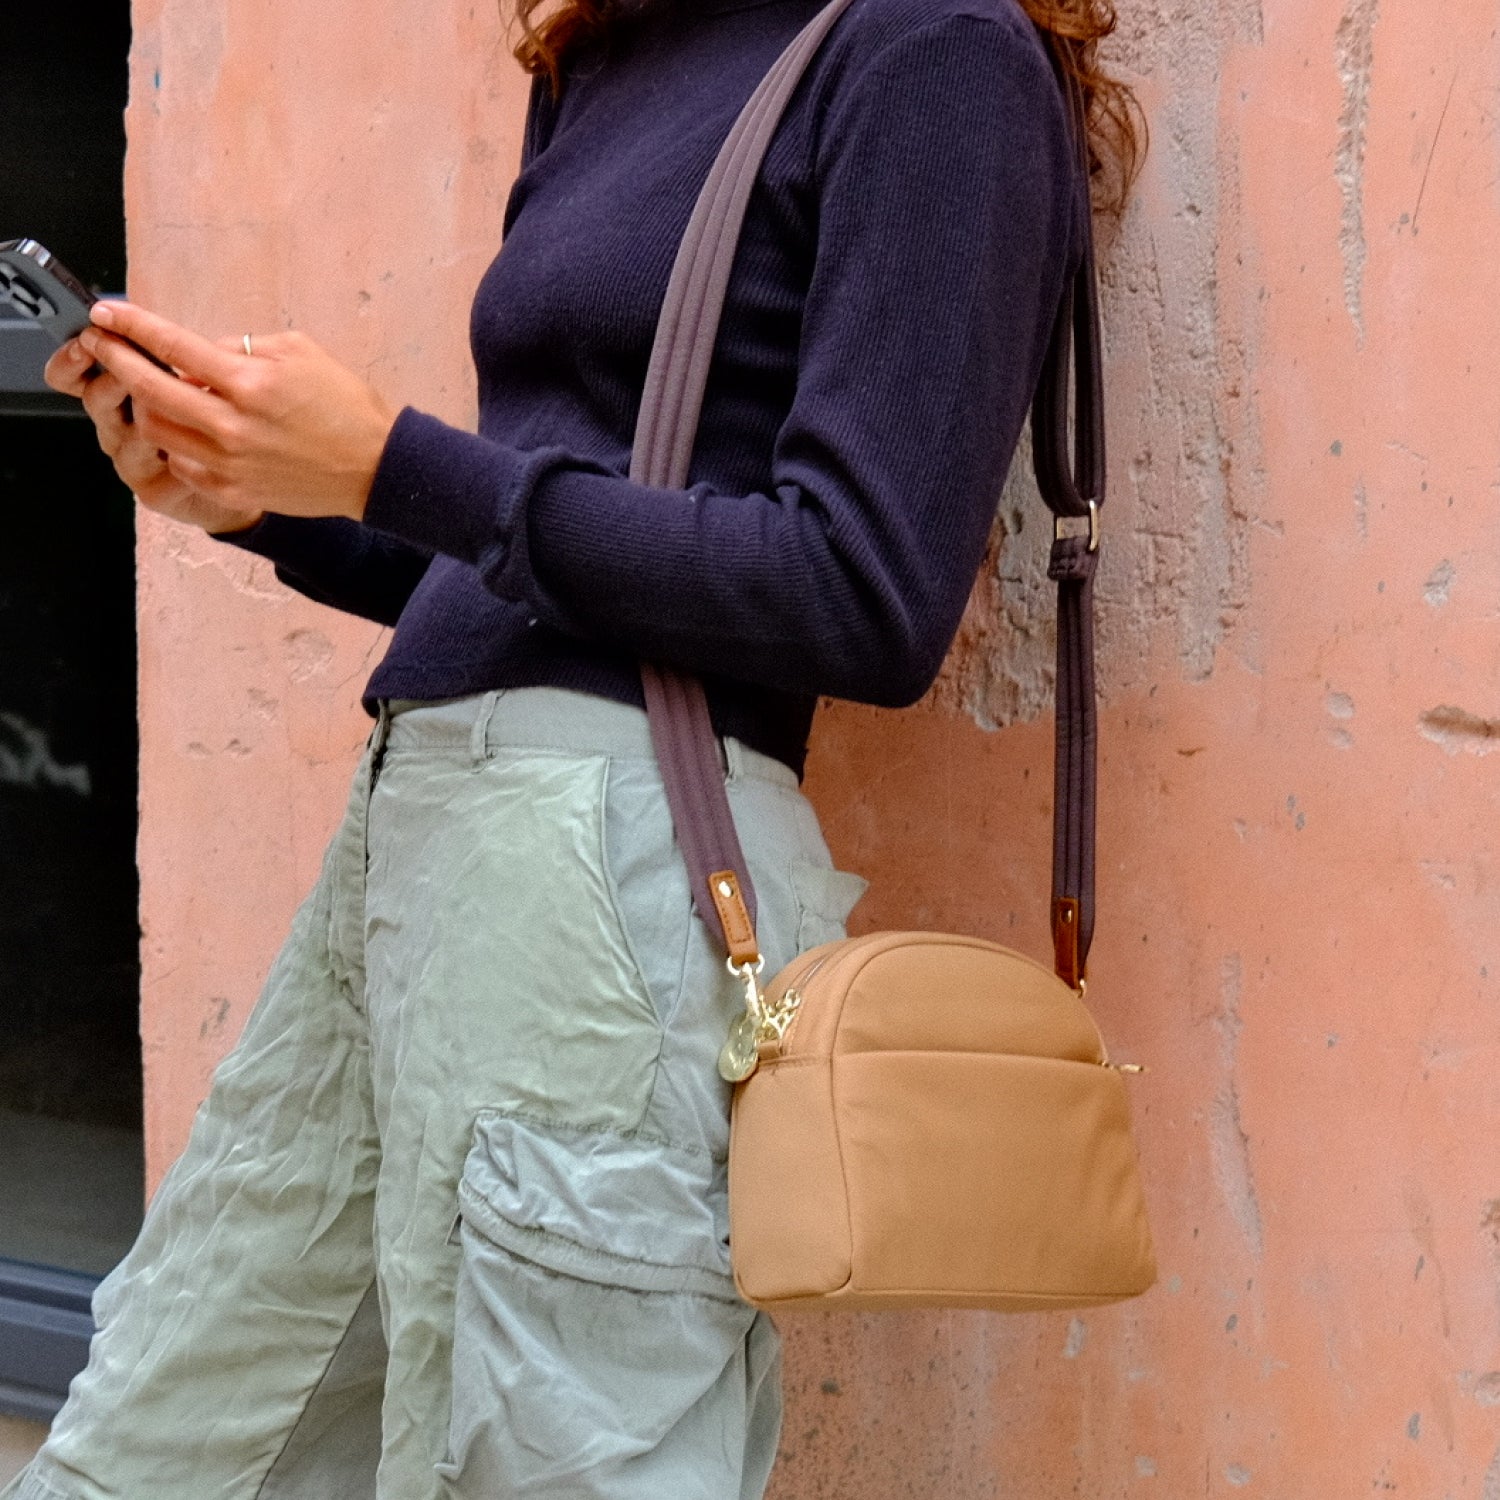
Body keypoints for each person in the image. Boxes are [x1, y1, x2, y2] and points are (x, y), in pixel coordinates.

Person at [12, 0, 1140, 1494]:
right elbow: (536, 554)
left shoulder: (930, 49)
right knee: (160, 1450)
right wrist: (269, 499)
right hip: (419, 841)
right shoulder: (602, 51)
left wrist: (391, 462)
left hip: (613, 875)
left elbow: (862, 590)